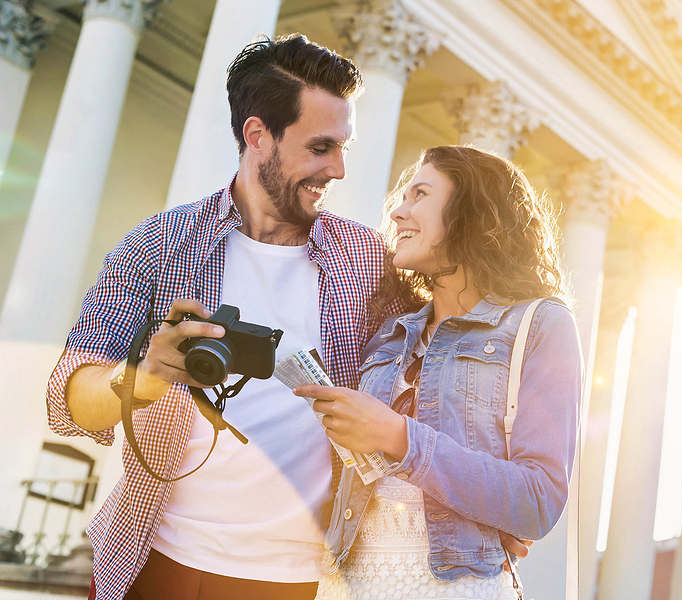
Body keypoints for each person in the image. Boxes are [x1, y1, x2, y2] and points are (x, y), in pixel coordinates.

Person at [46, 34, 387, 600]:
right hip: (153, 563)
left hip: (297, 582)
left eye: (344, 147)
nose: (340, 169)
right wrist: (143, 379)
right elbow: (69, 398)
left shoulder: (371, 263)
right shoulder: (157, 245)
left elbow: (445, 366)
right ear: (258, 136)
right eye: (321, 146)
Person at [295, 146, 583, 599]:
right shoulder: (391, 333)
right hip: (347, 585)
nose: (397, 211)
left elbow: (538, 500)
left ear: (472, 213)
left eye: (420, 194)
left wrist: (399, 436)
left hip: (458, 587)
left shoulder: (542, 324)